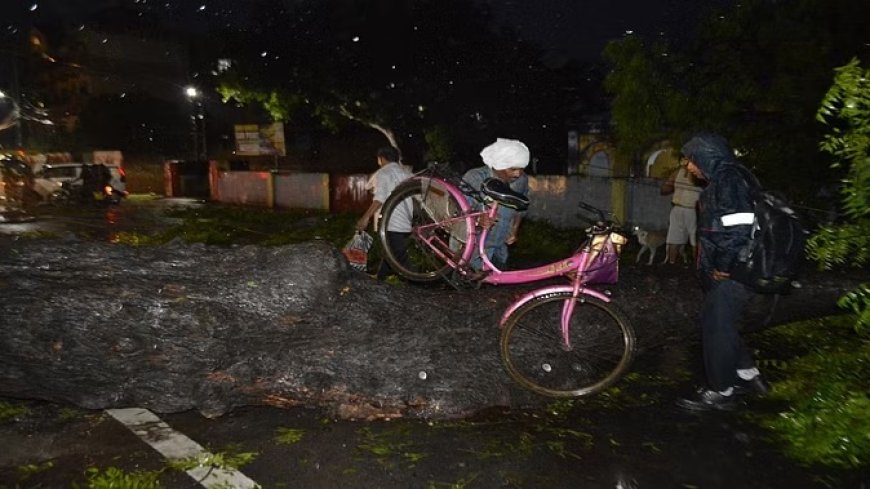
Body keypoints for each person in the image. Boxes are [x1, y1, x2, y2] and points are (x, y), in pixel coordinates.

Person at [676, 133, 769, 412]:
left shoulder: (728, 180)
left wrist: (724, 267)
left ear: (707, 156)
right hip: (738, 269)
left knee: (716, 327)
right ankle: (750, 377)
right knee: (722, 322)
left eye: (691, 160)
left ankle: (721, 390)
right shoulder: (733, 177)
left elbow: (738, 228)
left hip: (733, 271)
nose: (688, 166)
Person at [462, 138, 530, 270]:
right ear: (498, 165)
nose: (518, 173)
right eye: (513, 169)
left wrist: (514, 229)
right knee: (469, 285)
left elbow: (521, 208)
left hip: (499, 246)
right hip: (472, 247)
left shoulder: (521, 180)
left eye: (521, 169)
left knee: (496, 283)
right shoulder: (475, 178)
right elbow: (458, 210)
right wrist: (477, 219)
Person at [355, 146, 412, 280]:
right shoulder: (406, 173)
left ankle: (418, 283)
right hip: (405, 219)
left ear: (381, 159)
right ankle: (380, 277)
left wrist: (365, 217)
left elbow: (379, 197)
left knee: (398, 255)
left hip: (390, 220)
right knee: (390, 251)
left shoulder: (383, 173)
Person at [660, 156, 703, 264]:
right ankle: (696, 265)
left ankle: (671, 263)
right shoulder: (701, 173)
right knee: (694, 239)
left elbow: (664, 189)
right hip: (692, 210)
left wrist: (674, 186)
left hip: (677, 209)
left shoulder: (677, 172)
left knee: (674, 238)